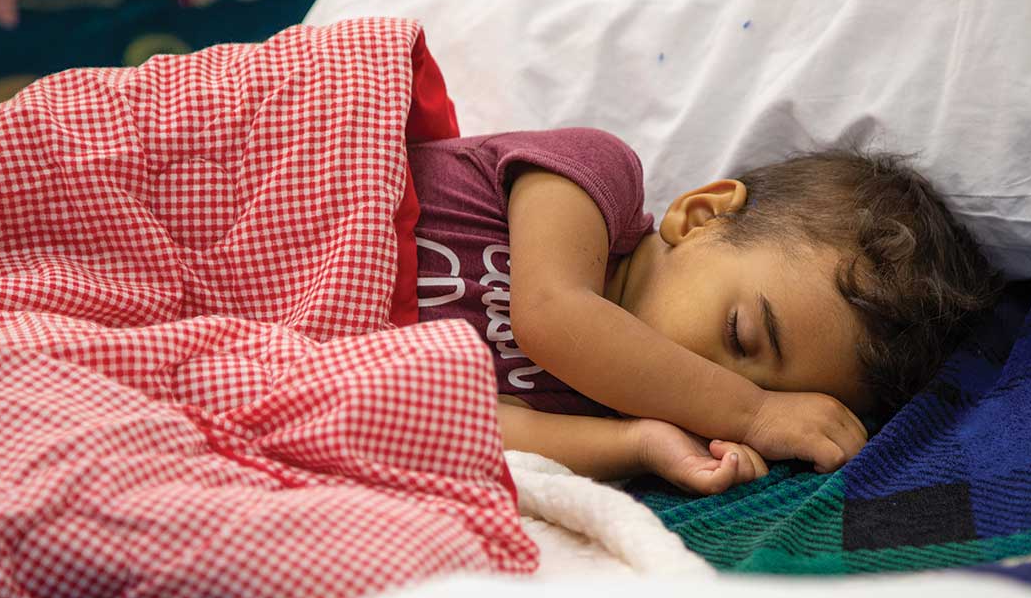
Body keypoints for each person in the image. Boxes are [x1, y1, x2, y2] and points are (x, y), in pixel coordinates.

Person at [407, 128, 999, 495]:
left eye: (752, 388)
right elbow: (549, 314)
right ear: (700, 216)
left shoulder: (603, 405)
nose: (706, 394)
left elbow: (472, 434)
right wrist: (757, 413)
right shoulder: (595, 178)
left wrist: (640, 444)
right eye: (740, 337)